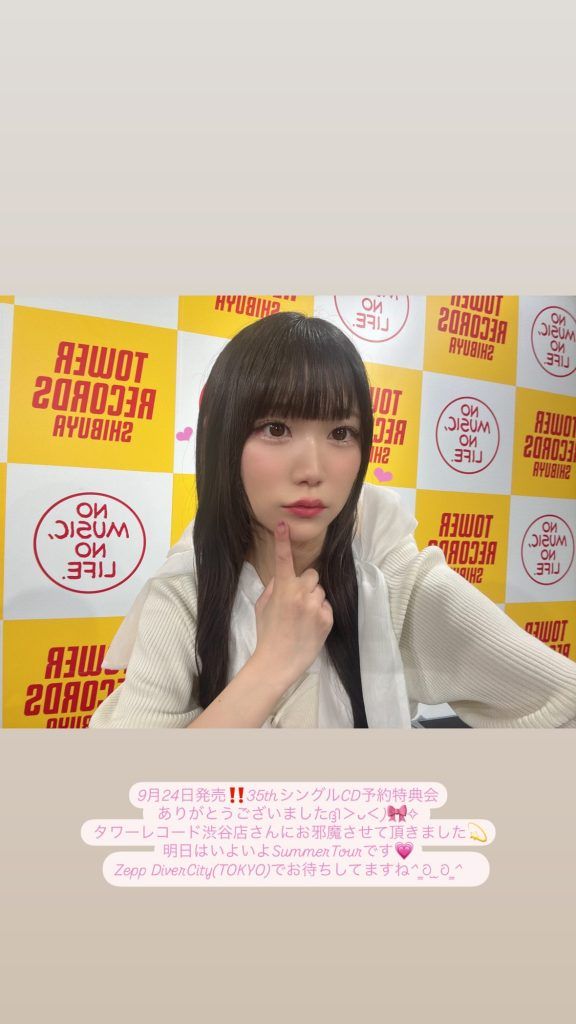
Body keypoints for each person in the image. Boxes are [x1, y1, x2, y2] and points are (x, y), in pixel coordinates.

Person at [89, 312, 576, 729]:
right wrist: (272, 663)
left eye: (341, 433)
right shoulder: (188, 586)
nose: (313, 470)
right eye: (276, 428)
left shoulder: (391, 577)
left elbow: (560, 701)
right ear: (223, 438)